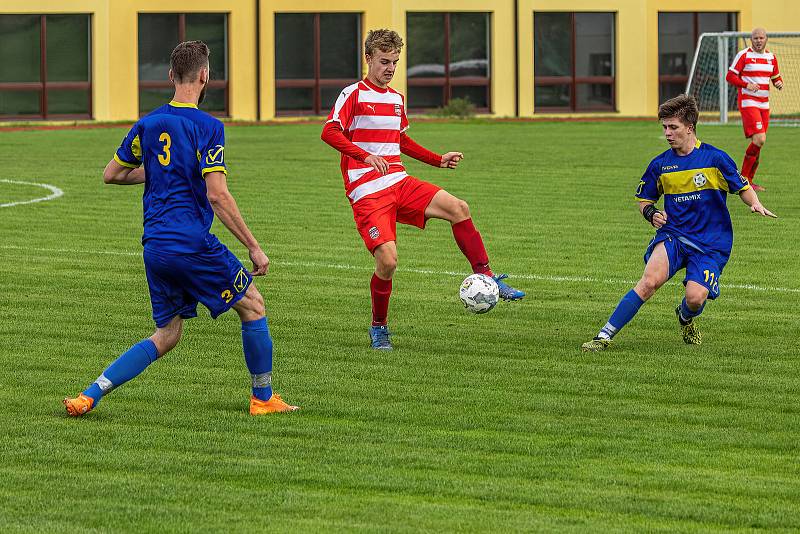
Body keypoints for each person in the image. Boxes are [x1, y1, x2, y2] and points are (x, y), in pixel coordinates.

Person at [63, 41, 298, 416]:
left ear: (172, 76)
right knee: (252, 305)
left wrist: (157, 171)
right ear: (205, 76)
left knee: (167, 334)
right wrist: (253, 246)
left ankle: (90, 394)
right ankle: (264, 398)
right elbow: (218, 196)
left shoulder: (149, 124)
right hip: (190, 243)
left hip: (155, 246)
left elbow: (112, 174)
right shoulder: (208, 127)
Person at [320, 29, 524, 351]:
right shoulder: (353, 95)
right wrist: (365, 155)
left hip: (399, 182)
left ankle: (488, 276)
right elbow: (329, 132)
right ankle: (379, 327)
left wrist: (437, 160)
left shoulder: (397, 99)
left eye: (395, 62)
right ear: (369, 58)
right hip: (367, 191)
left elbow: (401, 141)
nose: (390, 68)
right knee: (387, 262)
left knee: (459, 207)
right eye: (384, 61)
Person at [581, 95, 776, 352]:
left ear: (690, 128)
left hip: (710, 243)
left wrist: (754, 202)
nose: (667, 133)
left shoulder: (715, 159)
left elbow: (742, 186)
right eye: (664, 128)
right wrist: (651, 213)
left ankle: (685, 318)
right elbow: (644, 199)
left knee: (695, 299)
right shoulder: (661, 164)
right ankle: (603, 336)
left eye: (673, 127)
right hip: (674, 235)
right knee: (649, 282)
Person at [726, 27, 784, 192]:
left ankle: (748, 181)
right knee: (760, 139)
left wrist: (778, 83)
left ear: (766, 39)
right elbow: (730, 76)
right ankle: (743, 179)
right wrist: (747, 84)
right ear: (751, 40)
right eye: (756, 38)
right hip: (748, 102)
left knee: (758, 143)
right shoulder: (744, 55)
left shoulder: (771, 58)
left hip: (764, 105)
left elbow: (775, 77)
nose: (759, 40)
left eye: (761, 38)